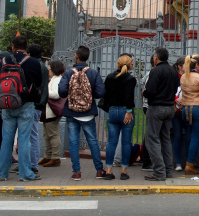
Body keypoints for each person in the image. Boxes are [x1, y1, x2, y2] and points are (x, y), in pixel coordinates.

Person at [0, 36, 43, 182]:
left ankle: (2, 173)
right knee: (24, 140)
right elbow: (38, 83)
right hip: (26, 104)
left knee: (6, 140)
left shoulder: (3, 61)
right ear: (26, 47)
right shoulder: (33, 62)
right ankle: (25, 173)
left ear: (13, 47)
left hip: (7, 104)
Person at [58, 45, 106, 181]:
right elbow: (100, 92)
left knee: (73, 142)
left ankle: (77, 172)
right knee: (92, 141)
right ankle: (99, 170)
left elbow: (61, 92)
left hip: (72, 111)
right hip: (88, 112)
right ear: (88, 57)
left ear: (76, 56)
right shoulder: (93, 73)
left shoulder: (68, 73)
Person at [142, 47, 178, 181]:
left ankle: (158, 171)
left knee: (152, 139)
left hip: (156, 107)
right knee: (165, 139)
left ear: (156, 57)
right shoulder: (173, 71)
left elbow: (149, 90)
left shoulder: (156, 71)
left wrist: (144, 92)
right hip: (169, 107)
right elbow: (175, 89)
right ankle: (168, 170)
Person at [103, 55, 136, 181]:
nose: (133, 63)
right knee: (126, 142)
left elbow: (105, 94)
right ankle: (123, 171)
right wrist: (128, 111)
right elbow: (129, 96)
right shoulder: (130, 79)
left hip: (112, 110)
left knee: (112, 142)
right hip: (125, 110)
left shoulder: (110, 77)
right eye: (132, 62)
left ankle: (109, 170)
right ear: (128, 64)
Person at [180, 54, 199, 175]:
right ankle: (190, 164)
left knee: (192, 136)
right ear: (197, 65)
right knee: (197, 137)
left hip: (185, 108)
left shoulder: (183, 77)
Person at [26, 44, 49, 174]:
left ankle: (32, 164)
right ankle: (31, 163)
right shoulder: (42, 65)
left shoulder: (36, 65)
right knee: (32, 134)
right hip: (39, 103)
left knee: (32, 135)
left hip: (35, 103)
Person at [39, 60, 65, 168]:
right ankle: (48, 156)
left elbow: (56, 94)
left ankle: (55, 157)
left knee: (53, 135)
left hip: (52, 112)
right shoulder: (54, 79)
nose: (48, 70)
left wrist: (44, 92)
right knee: (47, 134)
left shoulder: (57, 80)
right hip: (48, 111)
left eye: (49, 69)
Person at [138, 55, 155, 172]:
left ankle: (145, 158)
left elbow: (142, 86)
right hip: (149, 106)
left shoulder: (149, 73)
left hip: (147, 105)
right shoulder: (152, 74)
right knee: (150, 133)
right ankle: (146, 160)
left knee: (150, 132)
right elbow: (146, 90)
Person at [171, 57, 186, 171]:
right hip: (176, 110)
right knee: (177, 135)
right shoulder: (174, 77)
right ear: (180, 66)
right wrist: (177, 100)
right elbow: (170, 90)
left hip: (187, 108)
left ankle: (187, 162)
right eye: (186, 64)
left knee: (188, 135)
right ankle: (178, 162)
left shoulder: (190, 77)